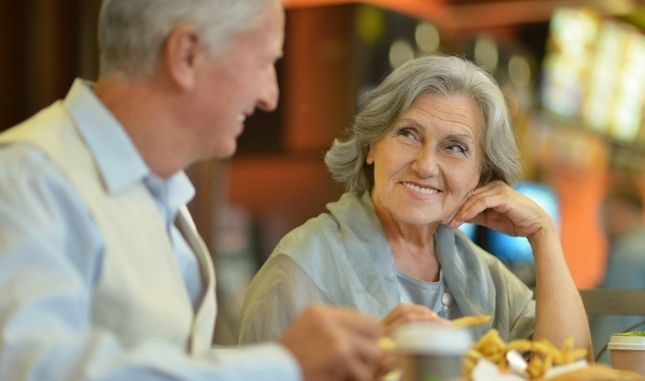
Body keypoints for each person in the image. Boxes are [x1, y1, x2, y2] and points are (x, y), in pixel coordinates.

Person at [0, 1, 383, 380]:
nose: (270, 96)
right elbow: (32, 369)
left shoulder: (161, 193)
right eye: (265, 62)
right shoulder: (26, 179)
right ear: (186, 56)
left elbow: (166, 358)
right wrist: (284, 365)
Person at [239, 55, 592, 355]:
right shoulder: (302, 265)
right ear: (372, 146)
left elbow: (569, 369)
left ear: (483, 177)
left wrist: (543, 234)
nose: (425, 165)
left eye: (455, 147)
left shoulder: (485, 276)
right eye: (408, 134)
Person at [591, 181, 645, 360]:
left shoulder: (629, 255)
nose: (602, 224)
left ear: (617, 210)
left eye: (605, 214)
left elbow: (616, 332)